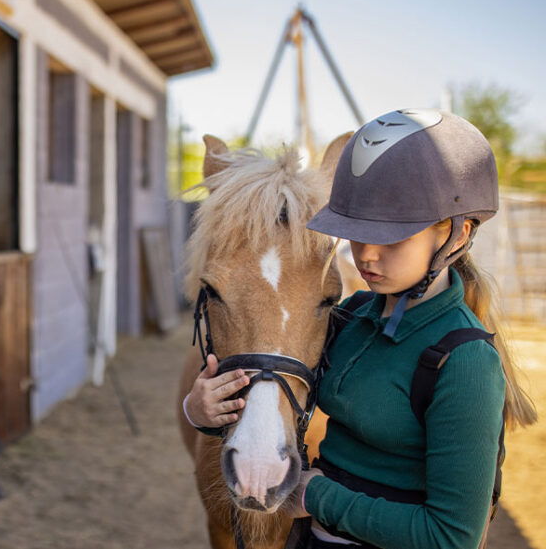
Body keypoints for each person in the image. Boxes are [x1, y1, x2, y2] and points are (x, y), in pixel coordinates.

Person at [185, 108, 537, 549]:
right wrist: (200, 413)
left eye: (391, 237)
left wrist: (318, 495)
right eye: (354, 231)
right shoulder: (351, 315)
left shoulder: (465, 361)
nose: (366, 255)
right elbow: (275, 374)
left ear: (457, 235)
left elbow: (453, 538)